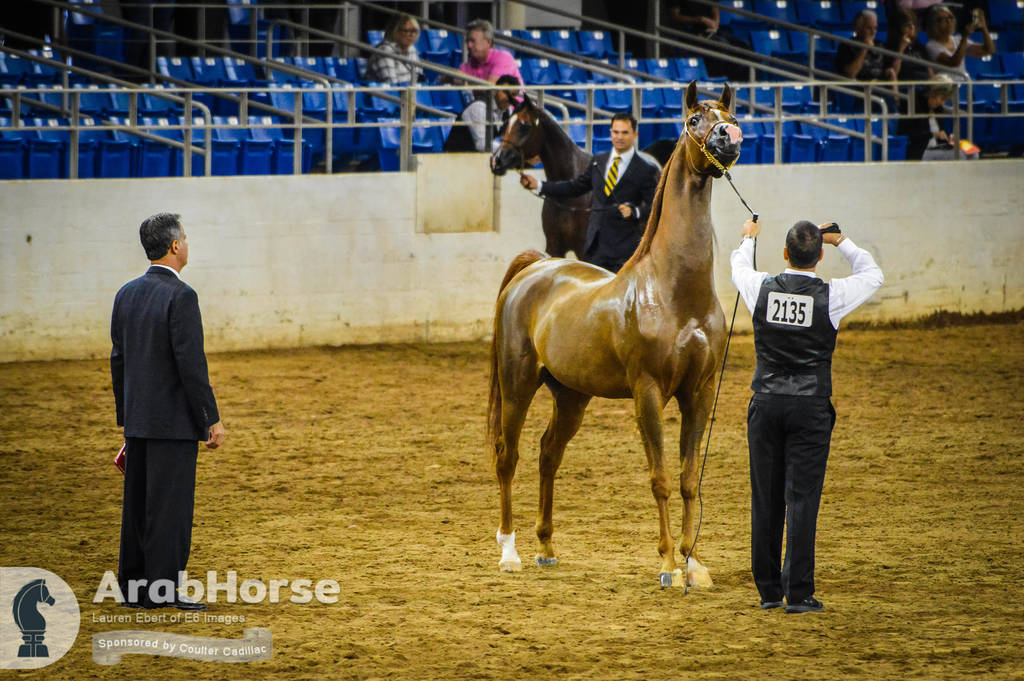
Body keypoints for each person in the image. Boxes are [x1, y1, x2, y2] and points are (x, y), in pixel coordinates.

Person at [730, 218, 883, 614]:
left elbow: (738, 267)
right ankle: (797, 592)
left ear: (785, 254)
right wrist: (842, 240)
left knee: (766, 496)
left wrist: (748, 238)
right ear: (819, 256)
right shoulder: (832, 295)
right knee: (802, 499)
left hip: (766, 402)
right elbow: (873, 273)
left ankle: (767, 590)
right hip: (810, 405)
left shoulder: (760, 287)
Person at [111, 213, 226, 610]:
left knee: (138, 506)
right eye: (186, 238)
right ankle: (162, 590)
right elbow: (191, 365)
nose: (188, 244)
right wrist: (209, 417)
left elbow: (119, 358)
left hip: (139, 419)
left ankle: (134, 588)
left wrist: (127, 415)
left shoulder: (126, 293)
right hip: (173, 422)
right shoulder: (182, 296)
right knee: (170, 509)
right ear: (175, 246)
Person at [519, 113, 661, 273]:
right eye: (616, 132)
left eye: (625, 133)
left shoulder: (646, 170)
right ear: (611, 133)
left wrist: (635, 211)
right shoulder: (598, 162)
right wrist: (539, 185)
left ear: (635, 134)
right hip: (595, 250)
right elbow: (574, 187)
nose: (619, 137)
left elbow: (654, 209)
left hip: (625, 250)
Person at [898, 74, 977, 160]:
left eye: (945, 100)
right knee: (959, 155)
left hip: (938, 147)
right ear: (933, 93)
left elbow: (940, 133)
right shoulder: (914, 104)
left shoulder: (938, 109)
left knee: (972, 152)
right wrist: (934, 135)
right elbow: (909, 134)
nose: (942, 103)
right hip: (921, 150)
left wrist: (948, 138)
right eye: (942, 99)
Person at [923, 4, 994, 81]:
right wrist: (965, 37)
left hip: (964, 86)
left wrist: (983, 28)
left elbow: (988, 50)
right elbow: (953, 62)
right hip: (946, 88)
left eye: (950, 17)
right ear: (934, 24)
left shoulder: (957, 40)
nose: (949, 21)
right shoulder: (931, 46)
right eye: (943, 19)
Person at [365, 13, 422, 84]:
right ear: (395, 32)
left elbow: (418, 78)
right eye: (407, 31)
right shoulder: (384, 51)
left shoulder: (412, 49)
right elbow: (391, 84)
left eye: (414, 31)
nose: (412, 35)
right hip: (384, 93)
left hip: (407, 92)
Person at [883, 8, 935, 82]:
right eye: (907, 25)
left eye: (913, 24)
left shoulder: (919, 47)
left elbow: (930, 73)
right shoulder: (889, 48)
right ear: (897, 28)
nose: (912, 28)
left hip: (924, 86)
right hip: (904, 88)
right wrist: (901, 49)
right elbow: (892, 76)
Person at [836, 10, 888, 81]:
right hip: (859, 88)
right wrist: (865, 49)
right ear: (858, 29)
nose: (873, 32)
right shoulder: (846, 46)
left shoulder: (880, 45)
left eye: (875, 28)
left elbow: (890, 71)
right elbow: (850, 74)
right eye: (869, 28)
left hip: (880, 87)